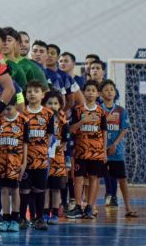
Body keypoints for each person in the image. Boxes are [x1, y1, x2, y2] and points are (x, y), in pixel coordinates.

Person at [67, 80, 108, 220]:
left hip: (96, 152)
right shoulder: (77, 109)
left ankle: (90, 207)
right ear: (84, 92)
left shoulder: (101, 111)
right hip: (80, 150)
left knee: (93, 179)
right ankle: (78, 206)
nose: (90, 92)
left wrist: (104, 151)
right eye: (88, 90)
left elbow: (104, 132)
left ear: (98, 94)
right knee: (77, 179)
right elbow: (72, 129)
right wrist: (83, 121)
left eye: (93, 90)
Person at [100, 80, 138, 217]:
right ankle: (90, 207)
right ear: (100, 94)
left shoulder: (121, 111)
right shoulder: (98, 110)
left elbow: (124, 129)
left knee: (122, 179)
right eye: (106, 89)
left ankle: (128, 207)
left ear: (115, 93)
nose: (109, 91)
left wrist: (115, 144)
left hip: (116, 151)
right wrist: (103, 147)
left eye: (112, 89)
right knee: (91, 179)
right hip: (100, 151)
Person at [21, 79, 55, 230]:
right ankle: (22, 217)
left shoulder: (48, 114)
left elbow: (49, 137)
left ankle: (39, 218)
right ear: (25, 95)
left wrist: (42, 152)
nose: (32, 94)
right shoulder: (22, 113)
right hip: (23, 160)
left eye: (36, 91)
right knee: (24, 190)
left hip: (40, 159)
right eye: (29, 91)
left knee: (40, 190)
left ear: (43, 95)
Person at [0, 96, 27, 233]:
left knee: (14, 190)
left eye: (9, 109)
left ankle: (15, 218)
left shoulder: (23, 121)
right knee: (3, 190)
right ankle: (5, 218)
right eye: (4, 109)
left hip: (16, 162)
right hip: (2, 161)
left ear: (15, 106)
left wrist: (24, 162)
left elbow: (25, 144)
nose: (6, 112)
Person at [43, 89, 69, 224]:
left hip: (58, 159)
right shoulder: (41, 119)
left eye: (55, 103)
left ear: (60, 105)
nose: (52, 106)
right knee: (46, 187)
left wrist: (56, 148)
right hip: (43, 157)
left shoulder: (63, 121)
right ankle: (45, 212)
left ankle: (54, 212)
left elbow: (65, 141)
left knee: (56, 188)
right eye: (49, 103)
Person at [46, 43, 83, 111]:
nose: (49, 55)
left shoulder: (65, 76)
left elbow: (75, 101)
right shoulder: (37, 72)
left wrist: (60, 114)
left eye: (52, 53)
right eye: (47, 53)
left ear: (57, 57)